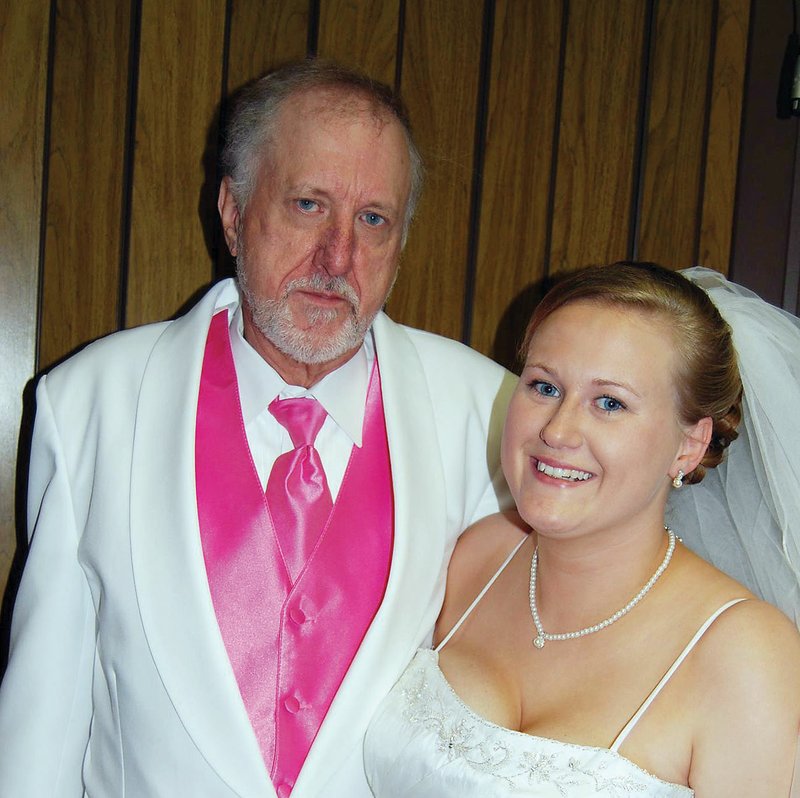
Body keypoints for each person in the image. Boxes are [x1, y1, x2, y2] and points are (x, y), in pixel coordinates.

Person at [0, 60, 515, 797]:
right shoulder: (91, 403)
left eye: (373, 220)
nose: (337, 258)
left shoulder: (489, 414)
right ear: (234, 213)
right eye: (308, 204)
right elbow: (39, 733)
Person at [365, 262, 800, 796]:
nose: (558, 429)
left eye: (610, 402)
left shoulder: (743, 652)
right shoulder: (475, 558)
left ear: (689, 444)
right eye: (545, 387)